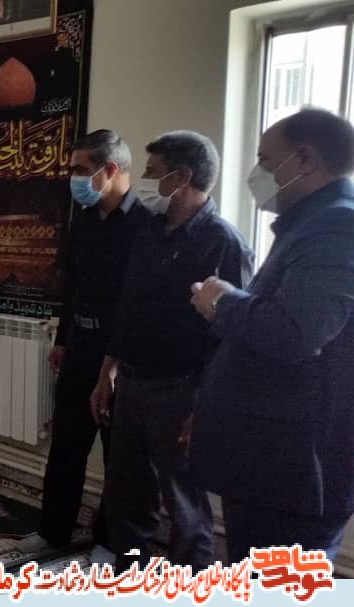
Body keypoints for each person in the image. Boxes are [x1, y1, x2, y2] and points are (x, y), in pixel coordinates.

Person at [189, 108, 354, 563]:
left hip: (295, 468)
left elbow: (297, 331)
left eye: (264, 159)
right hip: (276, 461)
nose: (257, 172)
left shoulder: (337, 225)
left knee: (278, 582)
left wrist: (223, 302)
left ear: (305, 160)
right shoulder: (311, 223)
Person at [91, 131, 253, 571]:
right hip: (133, 383)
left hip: (183, 392)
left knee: (185, 507)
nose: (144, 181)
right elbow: (128, 306)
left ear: (181, 177)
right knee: (127, 495)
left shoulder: (223, 242)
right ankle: (131, 580)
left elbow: (232, 339)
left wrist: (206, 405)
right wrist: (107, 371)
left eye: (152, 172)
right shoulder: (148, 232)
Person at [16, 130, 151, 564]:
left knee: (119, 454)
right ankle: (53, 529)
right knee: (66, 443)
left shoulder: (146, 226)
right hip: (80, 347)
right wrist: (62, 339)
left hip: (122, 356)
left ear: (109, 170)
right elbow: (71, 287)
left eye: (79, 169)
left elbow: (138, 302)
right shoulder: (85, 220)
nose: (72, 177)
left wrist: (113, 365)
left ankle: (109, 540)